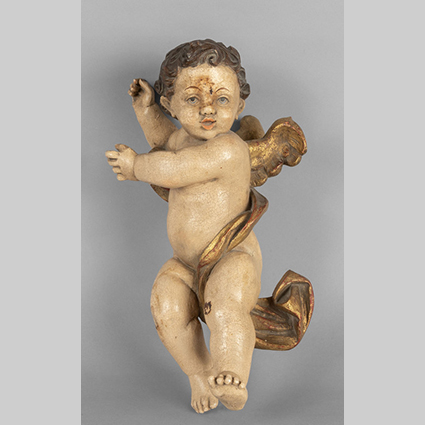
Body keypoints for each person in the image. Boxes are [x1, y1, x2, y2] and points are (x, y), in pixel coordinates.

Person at [106, 40, 312, 413]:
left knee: (226, 308)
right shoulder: (181, 138)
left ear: (240, 106)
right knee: (166, 308)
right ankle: (200, 374)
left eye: (221, 99)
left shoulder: (228, 149)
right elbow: (163, 143)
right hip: (185, 263)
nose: (208, 110)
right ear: (171, 105)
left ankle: (232, 374)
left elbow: (178, 168)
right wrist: (146, 110)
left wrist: (136, 167)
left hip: (231, 257)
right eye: (192, 99)